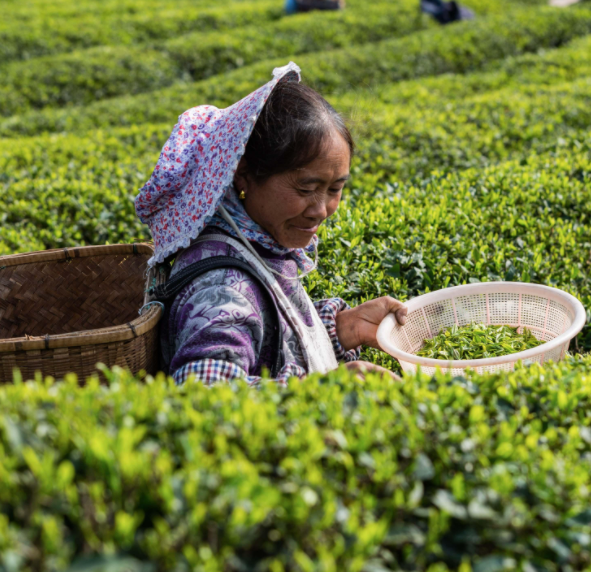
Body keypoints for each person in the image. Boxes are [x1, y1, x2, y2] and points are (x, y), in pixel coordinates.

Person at [136, 63, 407, 386]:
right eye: (305, 189)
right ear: (244, 173)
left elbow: (269, 341)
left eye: (335, 189)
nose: (321, 210)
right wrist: (322, 389)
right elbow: (203, 394)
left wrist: (345, 328)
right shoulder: (224, 288)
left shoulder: (255, 241)